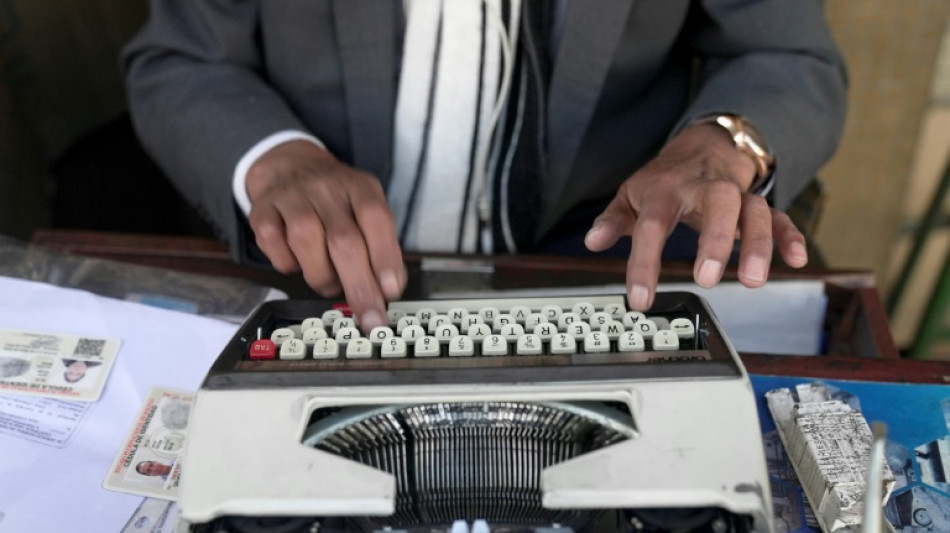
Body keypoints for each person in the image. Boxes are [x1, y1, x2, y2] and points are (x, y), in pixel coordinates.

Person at [123, 1, 847, 330]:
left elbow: (782, 53)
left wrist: (718, 145)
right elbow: (185, 58)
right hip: (308, 268)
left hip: (597, 260)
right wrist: (274, 157)